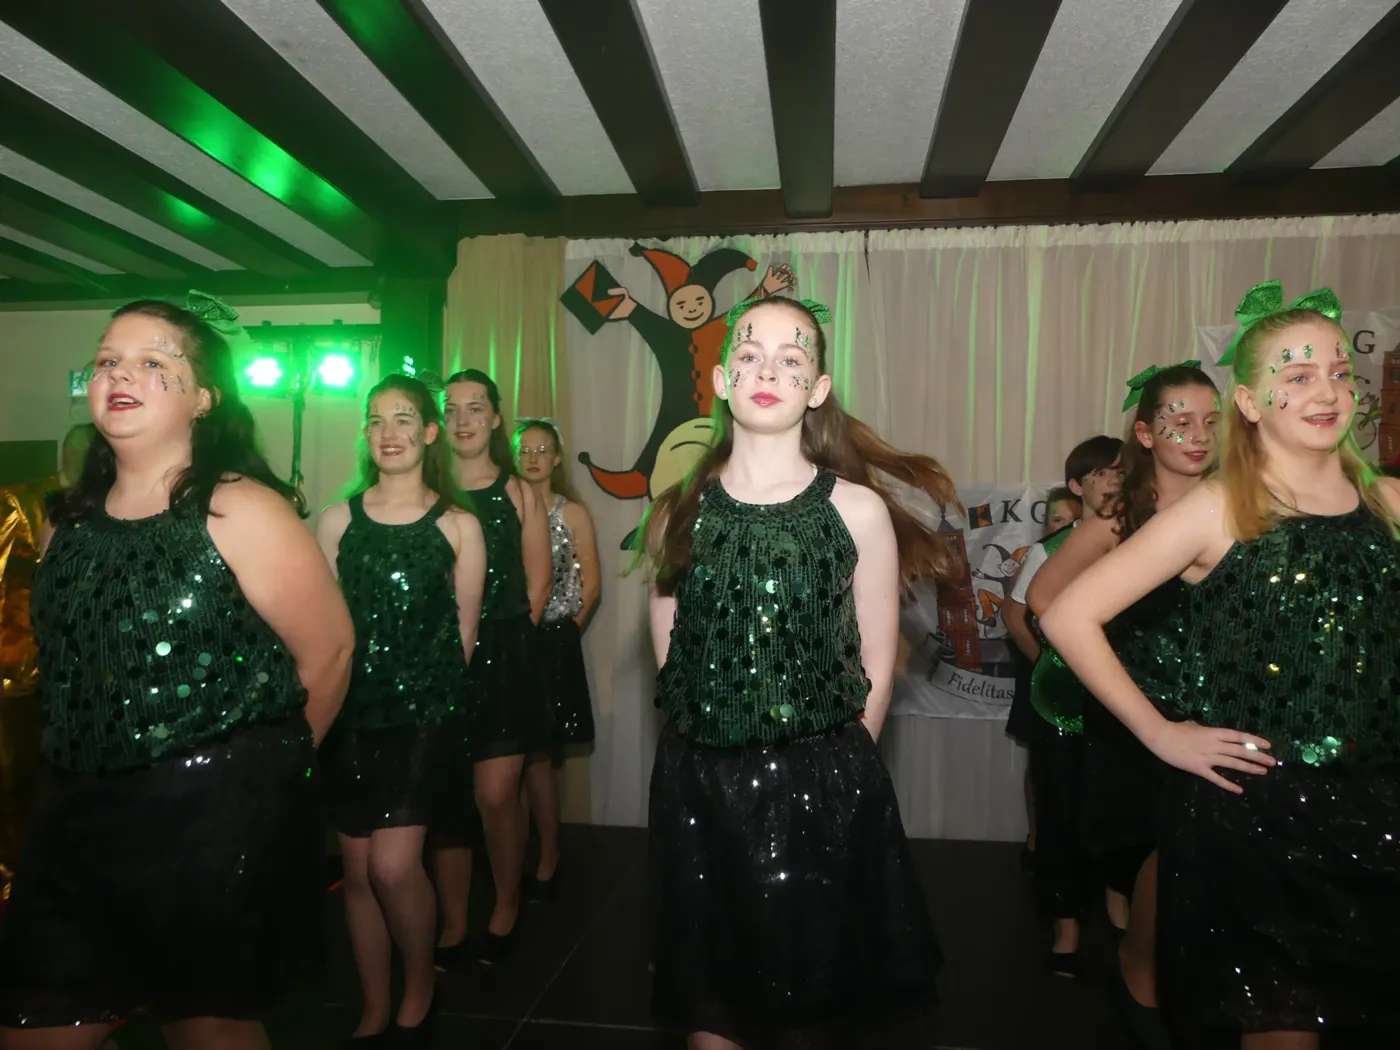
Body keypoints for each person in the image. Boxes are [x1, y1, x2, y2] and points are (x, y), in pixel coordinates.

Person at [1040, 282, 1400, 1048]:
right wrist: (1160, 733)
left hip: (1378, 810)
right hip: (1257, 810)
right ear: (1250, 401)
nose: (1327, 390)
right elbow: (1066, 614)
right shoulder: (1220, 507)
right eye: (1298, 375)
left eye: (1340, 373)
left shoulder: (1391, 506)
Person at [0, 294, 353, 1050]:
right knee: (35, 1025)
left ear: (203, 398)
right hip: (76, 818)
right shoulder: (65, 522)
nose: (120, 374)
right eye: (108, 360)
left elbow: (328, 654)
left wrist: (265, 782)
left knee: (208, 1029)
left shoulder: (242, 511)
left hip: (211, 821)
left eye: (153, 361)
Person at [643, 296, 945, 1050]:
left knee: (808, 1005)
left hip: (821, 784)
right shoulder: (679, 511)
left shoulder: (857, 510)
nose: (768, 371)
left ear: (817, 387)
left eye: (791, 359)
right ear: (721, 380)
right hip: (701, 785)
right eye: (749, 356)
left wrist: (842, 779)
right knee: (714, 1000)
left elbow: (877, 660)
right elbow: (671, 654)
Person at [1028, 364, 1217, 1046]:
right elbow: (1045, 600)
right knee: (1150, 853)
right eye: (1180, 421)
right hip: (1139, 717)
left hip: (1216, 713)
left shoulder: (1239, 508)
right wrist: (1101, 658)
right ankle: (1141, 974)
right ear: (1145, 433)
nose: (1198, 435)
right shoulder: (1119, 519)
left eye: (1210, 421)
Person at [316, 375, 486, 1045]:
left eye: (404, 419)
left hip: (422, 719)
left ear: (429, 432)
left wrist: (432, 710)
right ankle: (374, 1004)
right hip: (351, 717)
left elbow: (464, 637)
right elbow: (323, 632)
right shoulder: (336, 521)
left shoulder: (458, 525)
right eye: (376, 420)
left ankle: (421, 986)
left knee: (392, 867)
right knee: (358, 873)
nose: (388, 433)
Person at [430, 369, 551, 967]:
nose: (463, 419)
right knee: (449, 798)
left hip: (502, 654)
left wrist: (508, 645)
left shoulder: (518, 491)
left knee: (497, 794)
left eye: (475, 407)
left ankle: (506, 902)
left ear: (496, 418)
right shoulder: (425, 492)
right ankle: (453, 922)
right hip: (434, 659)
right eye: (451, 408)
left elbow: (539, 582)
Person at [1004, 438, 1123, 975]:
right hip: (1062, 706)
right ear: (1077, 487)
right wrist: (1049, 665)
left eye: (1121, 471)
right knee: (1059, 814)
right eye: (1101, 474)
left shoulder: (1148, 543)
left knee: (1121, 810)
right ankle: (1066, 925)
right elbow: (1019, 616)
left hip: (1126, 705)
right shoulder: (1049, 552)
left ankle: (1120, 907)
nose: (1113, 481)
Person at [0, 423, 94, 908]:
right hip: (20, 674)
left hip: (80, 677)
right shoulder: (19, 504)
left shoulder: (105, 509)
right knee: (16, 782)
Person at [511, 418, 600, 900]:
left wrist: (564, 637)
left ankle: (548, 856)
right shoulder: (500, 510)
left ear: (557, 458)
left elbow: (592, 586)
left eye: (542, 449)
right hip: (506, 645)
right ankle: (513, 855)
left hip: (550, 643)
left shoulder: (573, 513)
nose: (533, 458)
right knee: (507, 762)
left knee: (539, 759)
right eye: (524, 449)